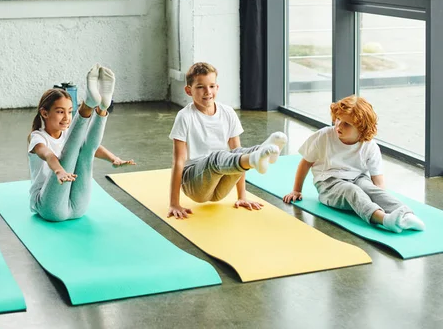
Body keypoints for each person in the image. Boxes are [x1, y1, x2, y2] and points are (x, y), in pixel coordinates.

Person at [283, 95, 425, 233]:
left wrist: (378, 199)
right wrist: (296, 190)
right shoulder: (324, 136)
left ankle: (407, 216)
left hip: (358, 179)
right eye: (338, 119)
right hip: (328, 184)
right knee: (352, 190)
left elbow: (378, 181)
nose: (339, 125)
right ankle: (385, 220)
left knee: (369, 188)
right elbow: (305, 163)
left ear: (361, 129)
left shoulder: (369, 146)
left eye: (347, 124)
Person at [168, 62, 287, 219]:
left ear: (217, 87)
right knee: (217, 157)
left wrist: (242, 196)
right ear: (188, 90)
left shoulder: (228, 112)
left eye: (211, 86)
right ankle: (256, 154)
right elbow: (179, 161)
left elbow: (236, 153)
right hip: (194, 183)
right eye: (200, 87)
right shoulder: (185, 116)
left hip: (220, 186)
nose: (207, 92)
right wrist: (174, 203)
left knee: (237, 153)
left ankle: (261, 150)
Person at [28, 64, 135, 222]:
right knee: (70, 151)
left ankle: (102, 109)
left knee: (85, 153)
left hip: (78, 208)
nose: (66, 117)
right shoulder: (37, 137)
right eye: (60, 112)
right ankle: (88, 106)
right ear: (44, 113)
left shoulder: (68, 134)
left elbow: (92, 148)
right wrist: (59, 171)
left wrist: (114, 158)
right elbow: (48, 155)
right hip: (49, 207)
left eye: (70, 111)